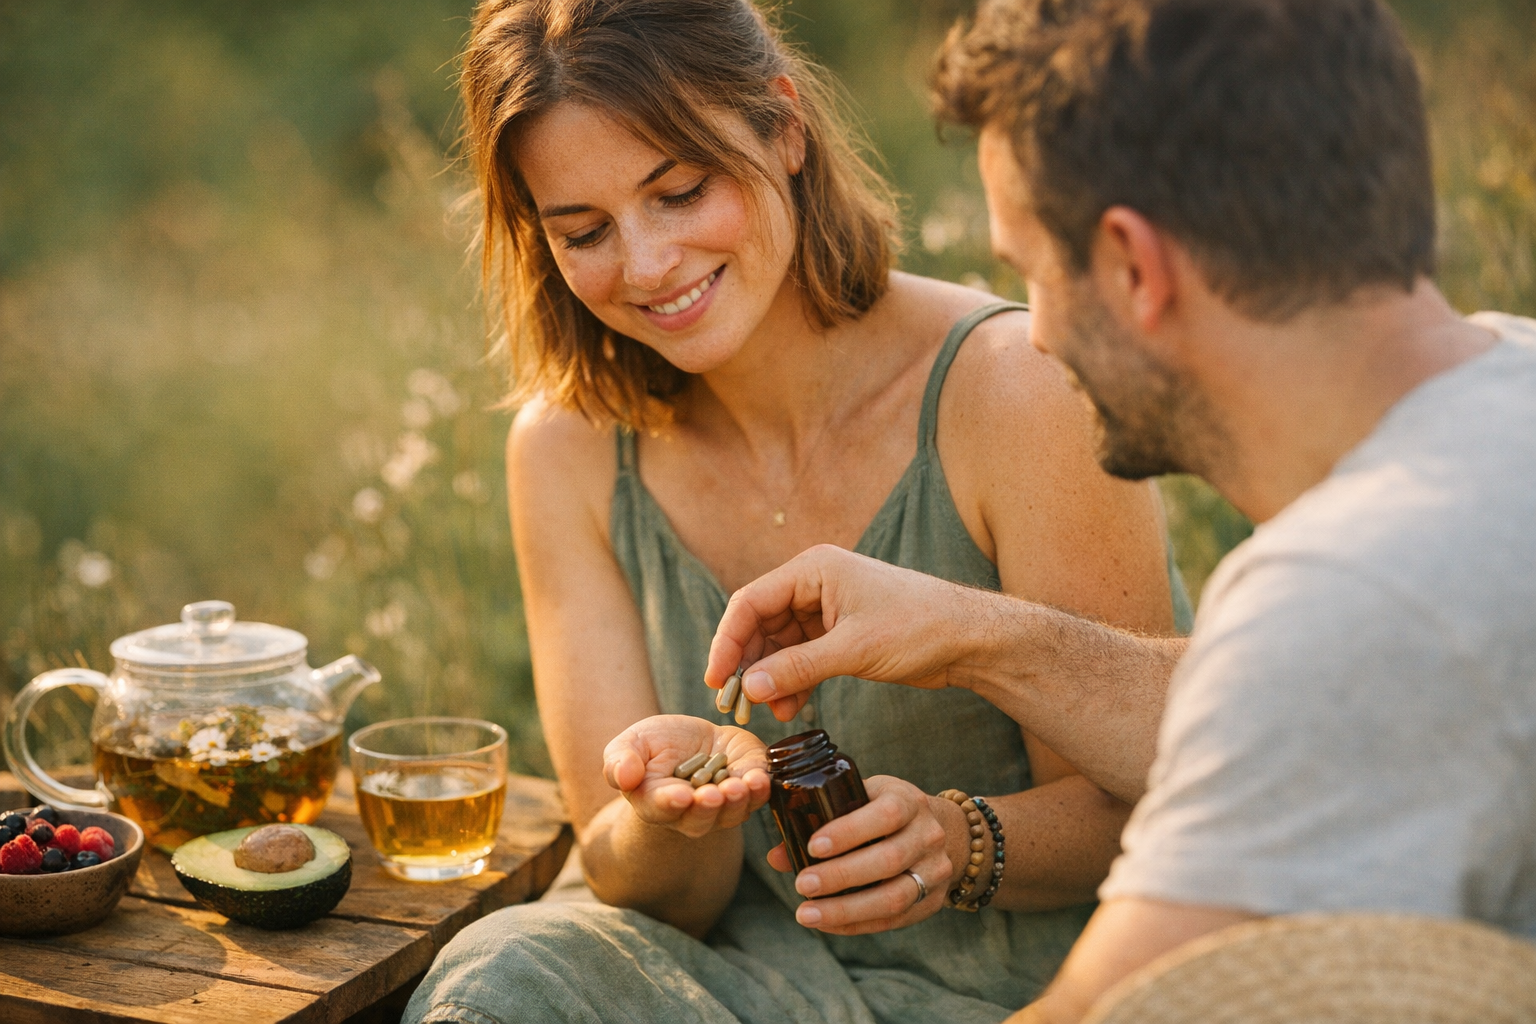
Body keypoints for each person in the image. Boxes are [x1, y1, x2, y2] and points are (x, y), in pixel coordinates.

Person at [706, 0, 1536, 1021]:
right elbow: (1315, 687)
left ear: (1135, 266)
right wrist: (972, 633)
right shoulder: (1506, 395)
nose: (1037, 334)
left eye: (1032, 274)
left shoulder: (1348, 594)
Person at [404, 1, 1193, 1022]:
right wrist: (669, 815)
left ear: (784, 128)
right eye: (584, 231)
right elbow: (644, 892)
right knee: (499, 979)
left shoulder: (1014, 387)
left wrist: (960, 839)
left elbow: (1158, 787)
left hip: (1006, 980)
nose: (646, 267)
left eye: (679, 191)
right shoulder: (565, 448)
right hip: (723, 969)